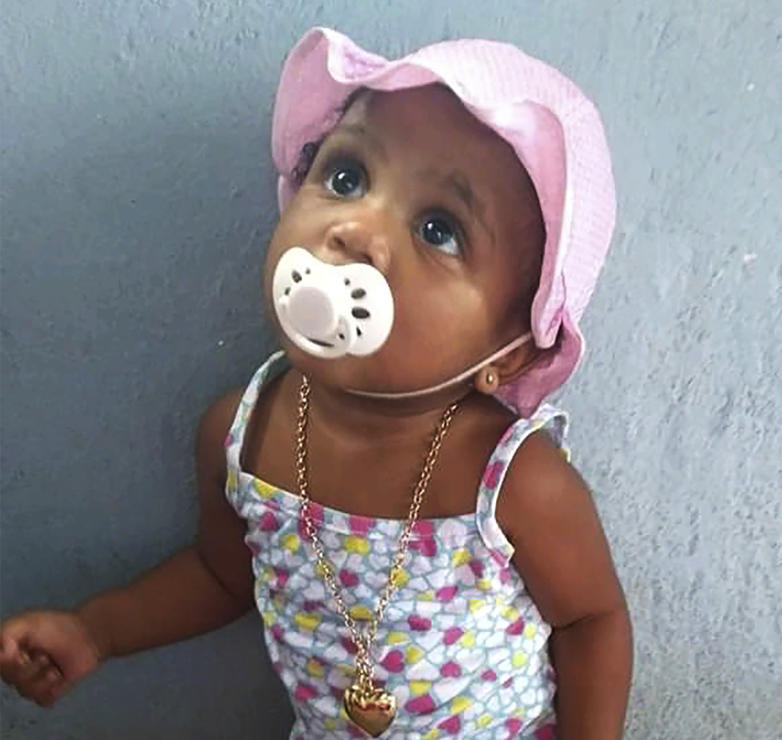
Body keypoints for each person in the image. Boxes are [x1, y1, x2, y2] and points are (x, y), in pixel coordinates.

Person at [1, 27, 632, 739]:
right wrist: (96, 631)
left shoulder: (514, 482)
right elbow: (222, 576)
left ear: (510, 354)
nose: (356, 230)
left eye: (438, 228)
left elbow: (590, 621)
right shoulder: (241, 437)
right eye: (346, 178)